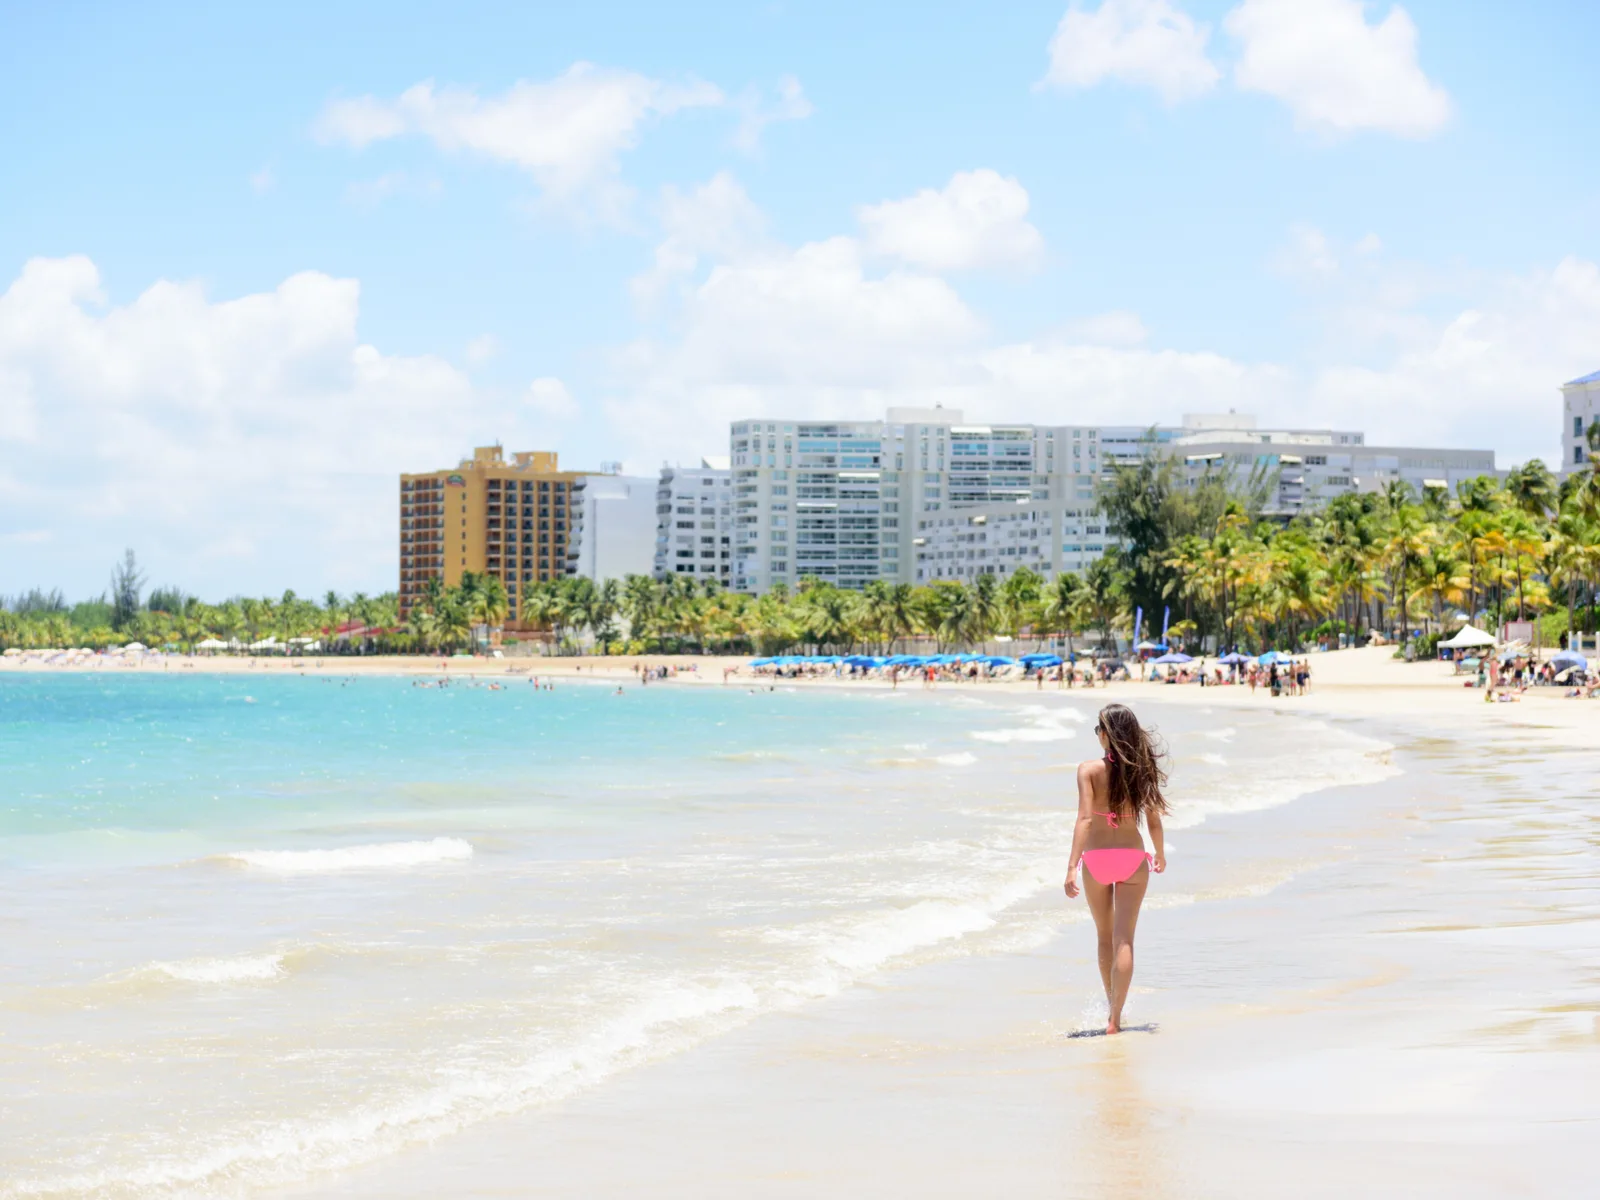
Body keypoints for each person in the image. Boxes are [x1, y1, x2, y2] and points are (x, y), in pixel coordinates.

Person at [1063, 704, 1169, 1035]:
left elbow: (1083, 819)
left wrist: (1071, 867)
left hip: (1096, 860)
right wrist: (1160, 853)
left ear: (1107, 734)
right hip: (1133, 859)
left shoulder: (1087, 770)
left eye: (1098, 730)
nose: (1097, 735)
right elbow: (1153, 820)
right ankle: (1115, 1018)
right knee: (1125, 938)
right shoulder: (1141, 770)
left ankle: (1111, 1004)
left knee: (1104, 937)